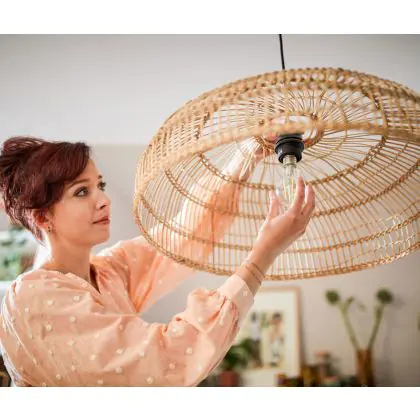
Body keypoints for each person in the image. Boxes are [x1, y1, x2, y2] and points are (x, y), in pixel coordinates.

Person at [0, 136, 315, 387]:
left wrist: (249, 151)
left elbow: (184, 237)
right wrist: (263, 255)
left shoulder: (108, 272)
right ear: (43, 217)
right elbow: (168, 359)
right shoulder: (35, 297)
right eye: (82, 192)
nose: (104, 200)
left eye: (100, 186)